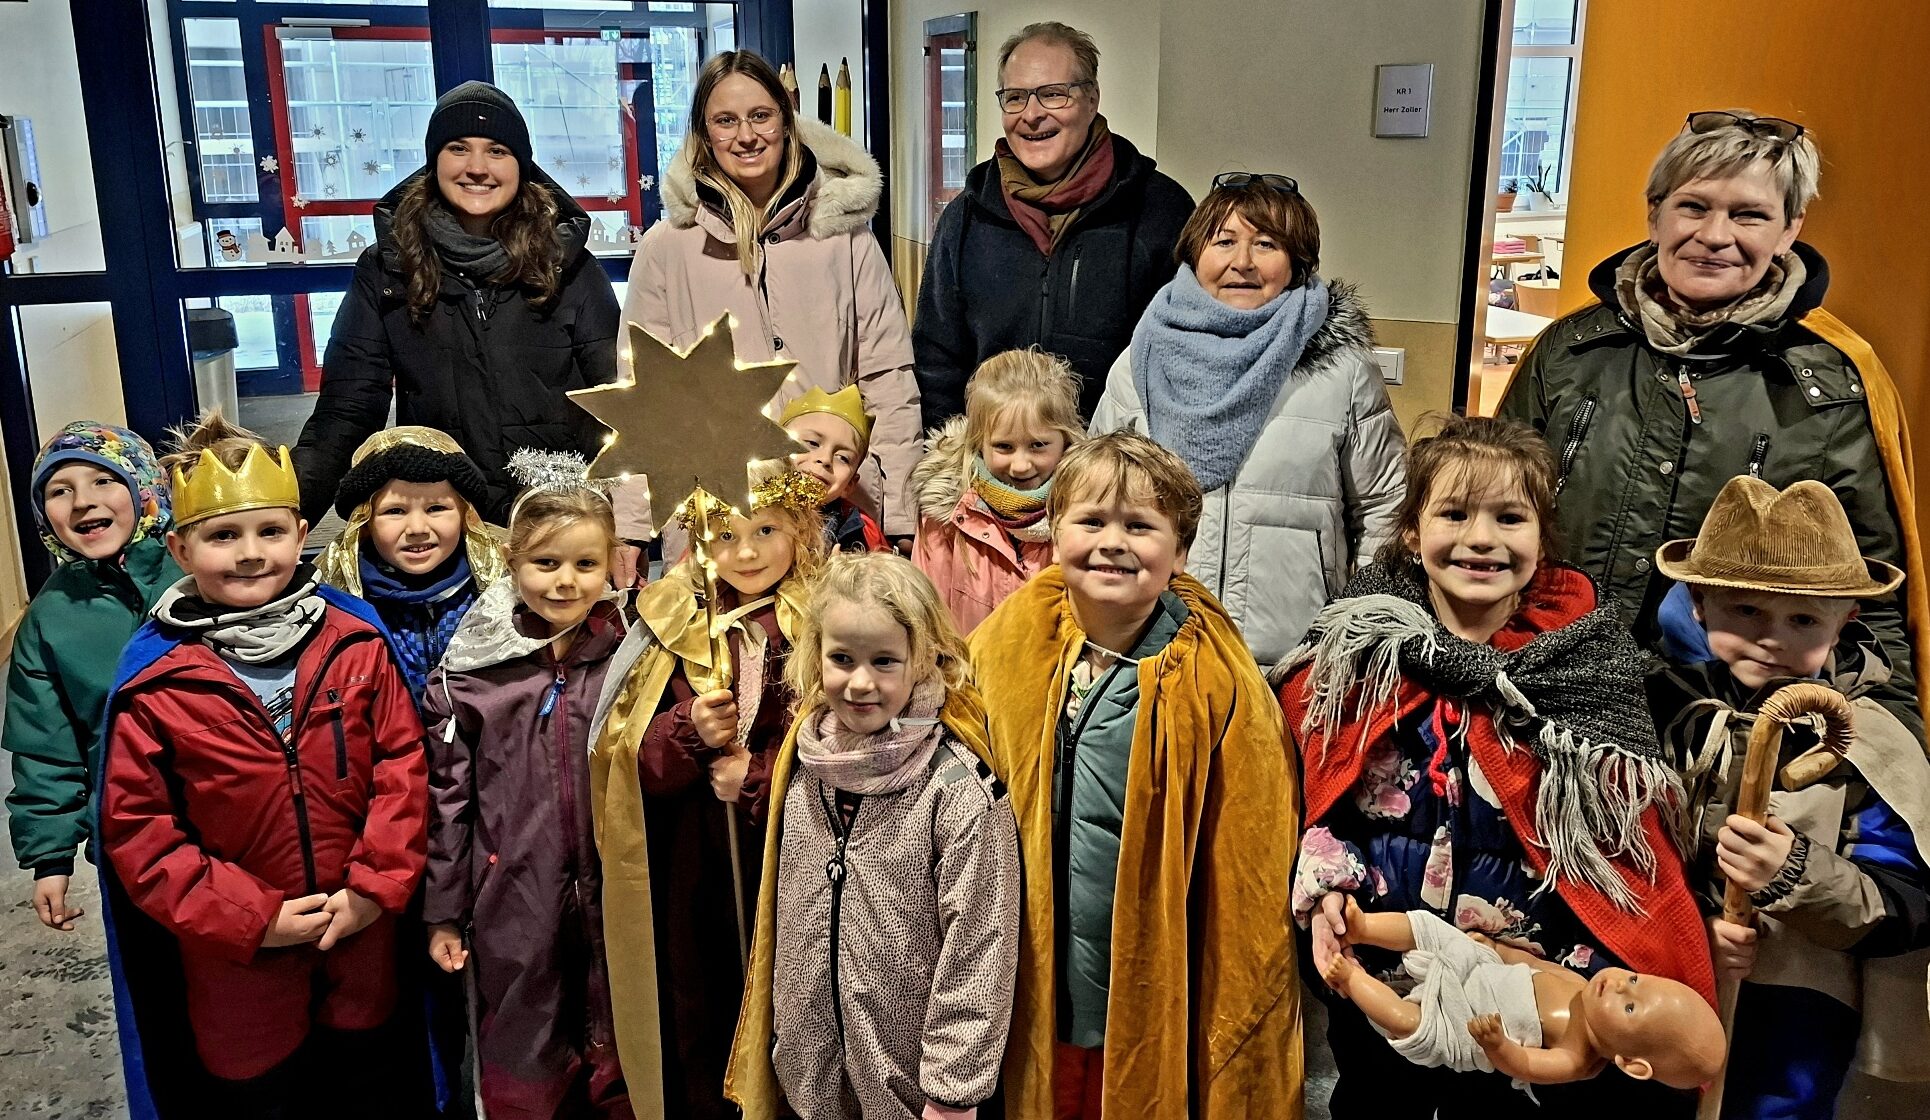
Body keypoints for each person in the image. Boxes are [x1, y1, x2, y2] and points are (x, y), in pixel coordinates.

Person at [1278, 415, 1713, 1120]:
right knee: (1375, 1104)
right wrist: (1328, 887)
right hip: (1384, 956)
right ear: (1412, 532)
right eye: (1454, 514)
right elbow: (1318, 797)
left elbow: (1624, 844)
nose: (1481, 538)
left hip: (1519, 982)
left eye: (1510, 517)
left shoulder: (1585, 662)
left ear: (1542, 538)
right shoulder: (1359, 648)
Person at [1496, 110, 1927, 742]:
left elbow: (1870, 599)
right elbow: (1491, 516)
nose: (1714, 236)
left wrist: (1894, 747)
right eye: (1693, 206)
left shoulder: (1831, 386)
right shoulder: (1570, 352)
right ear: (1656, 215)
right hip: (1549, 710)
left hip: (1726, 735)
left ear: (1789, 229)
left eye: (1749, 215)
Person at [97, 412, 430, 1119]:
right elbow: (141, 833)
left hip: (359, 931)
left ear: (302, 536)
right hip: (236, 955)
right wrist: (255, 918)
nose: (251, 554)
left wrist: (374, 887)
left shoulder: (354, 642)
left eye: (270, 531)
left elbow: (401, 768)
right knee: (260, 1096)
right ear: (181, 548)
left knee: (371, 1084)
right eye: (223, 536)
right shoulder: (157, 682)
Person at [968, 430, 1300, 1119]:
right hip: (1030, 967)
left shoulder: (1213, 674)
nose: (1112, 542)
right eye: (1091, 521)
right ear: (1054, 530)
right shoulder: (1009, 639)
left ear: (1180, 551)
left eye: (1140, 526)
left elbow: (1249, 849)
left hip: (1147, 975)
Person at [1647, 476, 1930, 1117]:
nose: (1772, 637)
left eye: (1803, 619)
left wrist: (1794, 872)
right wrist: (1693, 927)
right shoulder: (1664, 709)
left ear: (1845, 621)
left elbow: (1904, 906)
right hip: (1670, 989)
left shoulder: (1870, 742)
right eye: (1746, 611)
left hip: (1797, 1007)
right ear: (1700, 603)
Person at [725, 552, 1021, 1120]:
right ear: (816, 654)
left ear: (924, 658)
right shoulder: (806, 765)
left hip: (915, 1093)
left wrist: (952, 1093)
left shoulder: (956, 787)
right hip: (813, 1082)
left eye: (885, 661)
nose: (860, 683)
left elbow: (980, 947)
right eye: (842, 658)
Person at [588, 460, 832, 1119]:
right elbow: (625, 757)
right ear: (698, 539)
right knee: (703, 1008)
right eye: (725, 535)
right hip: (697, 868)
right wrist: (689, 730)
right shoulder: (672, 617)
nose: (746, 552)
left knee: (793, 1007)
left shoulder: (828, 614)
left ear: (800, 527)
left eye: (766, 530)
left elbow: (847, 744)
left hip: (795, 860)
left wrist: (755, 776)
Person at [1091, 173, 1405, 667]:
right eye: (1224, 242)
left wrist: (1356, 629)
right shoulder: (1141, 361)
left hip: (1297, 662)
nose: (1242, 262)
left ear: (1297, 262)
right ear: (1195, 255)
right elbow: (1092, 497)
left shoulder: (1343, 370)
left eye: (1266, 244)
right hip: (1153, 651)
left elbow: (1384, 508)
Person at [624, 50, 922, 543]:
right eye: (726, 120)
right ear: (704, 134)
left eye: (760, 115)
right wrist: (634, 528)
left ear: (787, 122)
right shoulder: (667, 248)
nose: (746, 135)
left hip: (834, 511)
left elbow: (888, 378)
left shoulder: (845, 239)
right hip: (719, 520)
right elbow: (644, 395)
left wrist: (900, 514)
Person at [297, 80, 621, 525]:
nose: (477, 168)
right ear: (435, 161)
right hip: (442, 524)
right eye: (458, 148)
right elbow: (346, 410)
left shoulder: (568, 264)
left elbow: (617, 403)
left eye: (497, 151)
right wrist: (282, 518)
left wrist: (628, 528)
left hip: (554, 525)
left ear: (522, 165)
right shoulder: (389, 268)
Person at [422, 457, 636, 1117]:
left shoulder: (632, 656)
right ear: (512, 561)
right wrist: (443, 910)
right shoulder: (472, 674)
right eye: (546, 563)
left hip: (618, 892)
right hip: (513, 894)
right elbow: (448, 800)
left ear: (612, 564)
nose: (566, 581)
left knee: (621, 1038)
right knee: (525, 1046)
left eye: (585, 564)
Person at [913, 22, 1194, 426]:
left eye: (1053, 94)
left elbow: (1184, 358)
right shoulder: (967, 217)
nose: (1031, 115)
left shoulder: (1161, 211)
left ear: (1092, 99)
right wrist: (952, 454)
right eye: (1015, 97)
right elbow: (937, 360)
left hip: (1114, 458)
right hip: (994, 457)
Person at [4, 423, 180, 933]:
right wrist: (50, 856)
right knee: (151, 968)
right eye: (60, 491)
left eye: (103, 480)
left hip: (234, 819)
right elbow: (45, 746)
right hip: (131, 837)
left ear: (145, 489)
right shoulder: (51, 616)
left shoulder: (201, 575)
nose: (82, 501)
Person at [1323, 904, 1724, 1089]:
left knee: (1409, 1026)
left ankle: (1353, 979)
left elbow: (1527, 1064)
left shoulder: (1577, 1059)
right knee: (1428, 928)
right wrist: (1497, 949)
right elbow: (1535, 964)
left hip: (1468, 1025)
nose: (1619, 984)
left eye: (1630, 1006)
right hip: (1480, 968)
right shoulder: (1582, 987)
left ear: (1630, 1063)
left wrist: (1497, 1045)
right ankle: (1362, 928)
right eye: (1635, 979)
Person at [316, 426, 507, 703]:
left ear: (467, 516)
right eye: (395, 511)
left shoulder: (506, 585)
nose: (417, 528)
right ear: (364, 522)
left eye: (436, 508)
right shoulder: (334, 599)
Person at [912, 348, 1084, 633]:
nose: (1021, 465)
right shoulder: (945, 516)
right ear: (979, 442)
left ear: (1066, 439)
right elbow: (927, 622)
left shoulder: (1087, 515)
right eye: (1004, 447)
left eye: (1038, 445)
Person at [782, 385, 890, 552]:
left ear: (849, 485)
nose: (825, 459)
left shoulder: (863, 536)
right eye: (812, 443)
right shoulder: (743, 512)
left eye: (843, 458)